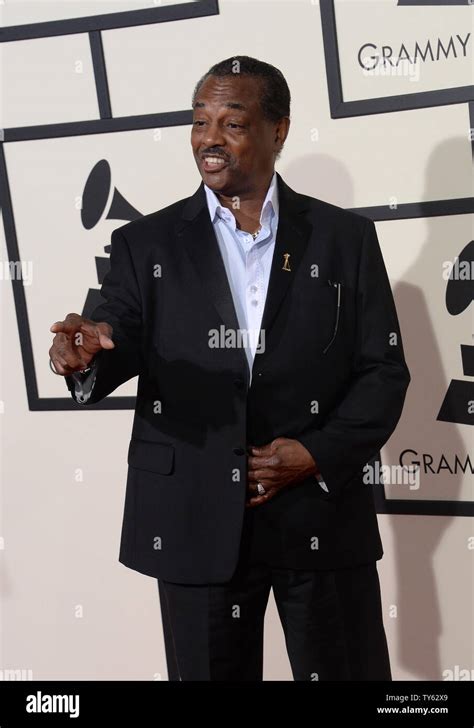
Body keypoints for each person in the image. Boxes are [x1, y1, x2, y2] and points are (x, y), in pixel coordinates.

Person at [49, 56, 410, 681]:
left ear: (280, 130)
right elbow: (115, 338)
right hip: (193, 517)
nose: (209, 138)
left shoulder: (343, 238)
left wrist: (317, 453)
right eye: (199, 121)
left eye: (231, 122)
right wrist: (82, 357)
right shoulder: (147, 243)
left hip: (318, 517)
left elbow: (383, 370)